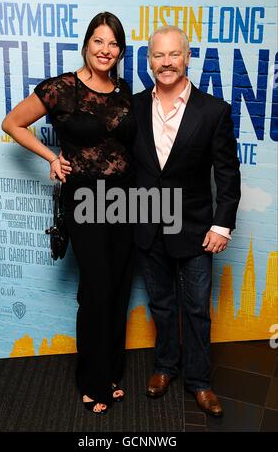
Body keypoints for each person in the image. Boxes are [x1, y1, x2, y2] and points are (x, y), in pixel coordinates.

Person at [2, 12, 136, 414]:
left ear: (121, 50)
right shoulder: (61, 88)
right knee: (96, 288)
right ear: (86, 44)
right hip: (84, 198)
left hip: (126, 199)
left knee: (118, 286)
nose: (106, 50)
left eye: (113, 43)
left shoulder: (124, 89)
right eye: (99, 41)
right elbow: (13, 123)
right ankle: (91, 380)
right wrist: (52, 158)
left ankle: (111, 372)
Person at [132, 26, 241, 417]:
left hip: (196, 228)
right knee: (161, 304)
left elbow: (227, 173)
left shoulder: (213, 111)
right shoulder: (134, 106)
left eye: (173, 55)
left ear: (187, 57)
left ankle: (199, 381)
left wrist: (222, 225)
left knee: (196, 308)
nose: (166, 63)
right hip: (146, 224)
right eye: (158, 56)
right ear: (149, 61)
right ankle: (165, 367)